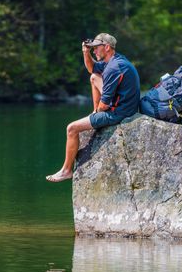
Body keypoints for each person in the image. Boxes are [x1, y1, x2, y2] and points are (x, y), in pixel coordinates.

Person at [46, 33, 140, 182]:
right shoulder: (115, 60)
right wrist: (85, 52)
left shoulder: (114, 68)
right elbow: (92, 69)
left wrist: (99, 111)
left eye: (96, 48)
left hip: (120, 113)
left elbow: (105, 105)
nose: (94, 51)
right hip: (124, 106)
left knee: (71, 128)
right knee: (94, 77)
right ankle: (94, 114)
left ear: (107, 47)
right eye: (93, 49)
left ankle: (66, 171)